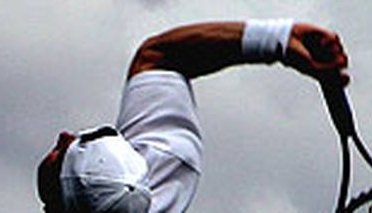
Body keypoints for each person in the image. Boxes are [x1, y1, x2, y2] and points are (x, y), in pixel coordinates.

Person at [36, 19, 349, 212]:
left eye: (64, 153)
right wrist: (274, 38)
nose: (64, 136)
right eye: (70, 151)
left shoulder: (150, 172)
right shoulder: (165, 159)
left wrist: (277, 39)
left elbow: (159, 57)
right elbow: (160, 57)